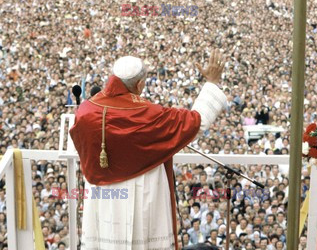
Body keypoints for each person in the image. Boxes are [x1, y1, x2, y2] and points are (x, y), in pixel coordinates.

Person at [70, 49, 227, 250]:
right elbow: (197, 120)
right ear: (140, 84)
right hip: (141, 190)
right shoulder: (151, 115)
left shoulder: (85, 110)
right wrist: (212, 82)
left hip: (103, 194)